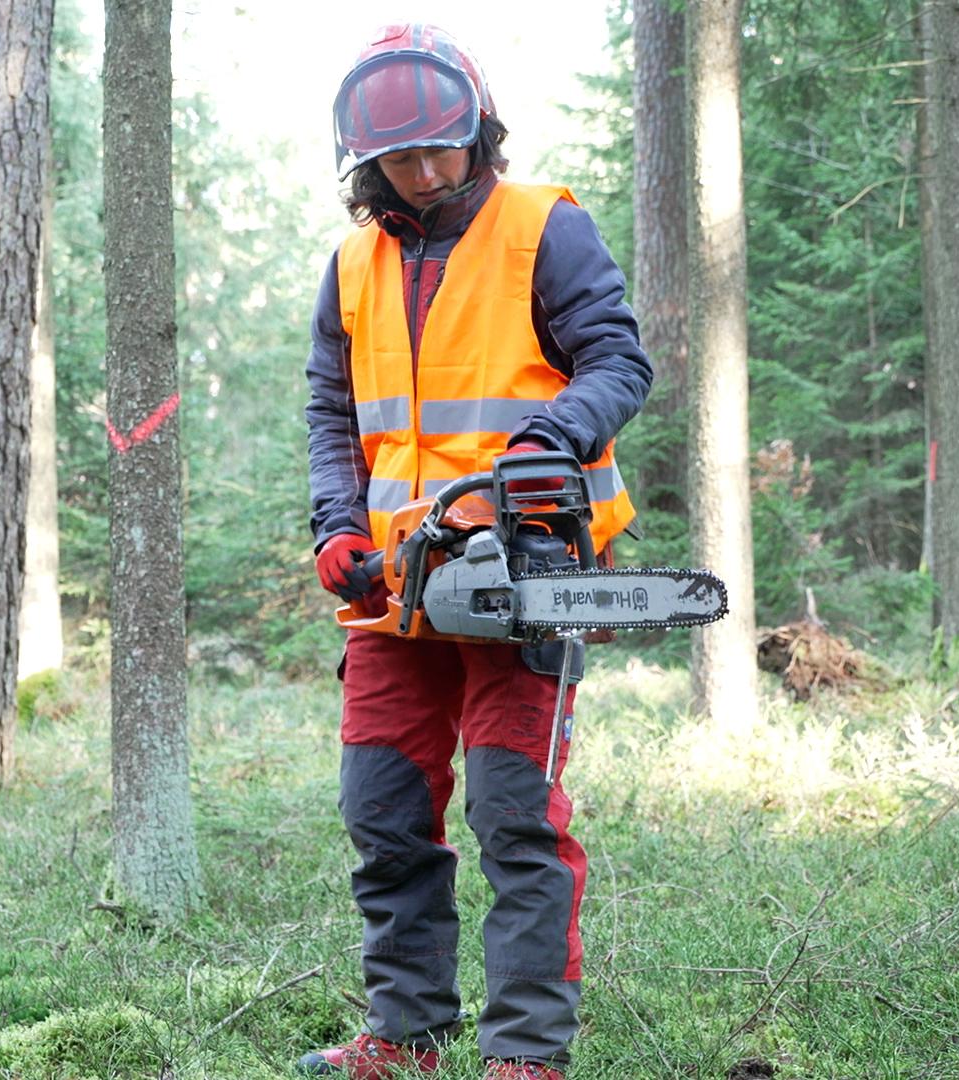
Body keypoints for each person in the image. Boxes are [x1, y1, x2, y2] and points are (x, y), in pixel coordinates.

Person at [299, 23, 652, 1080]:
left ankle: (527, 1053)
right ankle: (405, 1033)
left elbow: (617, 359)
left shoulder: (544, 227)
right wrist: (337, 524)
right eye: (400, 158)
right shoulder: (352, 264)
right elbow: (331, 411)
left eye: (438, 150)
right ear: (368, 165)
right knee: (383, 810)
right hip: (394, 585)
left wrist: (554, 435)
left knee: (513, 814)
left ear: (477, 131)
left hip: (522, 568)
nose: (423, 172)